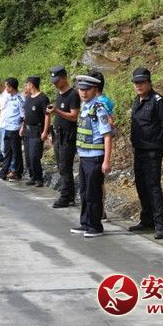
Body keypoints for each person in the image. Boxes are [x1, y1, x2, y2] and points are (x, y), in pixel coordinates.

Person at [128, 67, 163, 240]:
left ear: (149, 83)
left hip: (152, 151)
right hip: (139, 149)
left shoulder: (158, 100)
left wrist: (162, 139)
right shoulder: (137, 100)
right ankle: (147, 220)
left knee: (153, 186)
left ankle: (161, 225)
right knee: (141, 185)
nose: (138, 85)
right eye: (136, 83)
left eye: (142, 82)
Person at [70, 75, 113, 238]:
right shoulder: (84, 107)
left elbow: (107, 136)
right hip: (84, 157)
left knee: (93, 194)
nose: (83, 92)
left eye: (87, 89)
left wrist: (106, 161)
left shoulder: (99, 109)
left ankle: (96, 226)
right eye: (81, 89)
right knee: (84, 192)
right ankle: (86, 223)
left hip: (95, 157)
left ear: (95, 90)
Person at [46, 65, 80, 207]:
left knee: (65, 167)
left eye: (57, 81)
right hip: (58, 135)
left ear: (64, 78)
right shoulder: (59, 94)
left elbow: (74, 116)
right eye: (53, 82)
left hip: (68, 136)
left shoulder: (73, 95)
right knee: (61, 166)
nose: (55, 84)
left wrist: (57, 111)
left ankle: (65, 196)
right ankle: (69, 195)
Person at [89, 70, 116, 221]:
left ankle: (101, 210)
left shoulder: (100, 103)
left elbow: (110, 122)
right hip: (94, 146)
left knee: (98, 180)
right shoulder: (104, 100)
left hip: (98, 146)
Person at [20, 76, 50, 187]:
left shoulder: (43, 98)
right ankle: (32, 176)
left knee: (34, 156)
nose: (25, 86)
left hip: (37, 131)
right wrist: (23, 127)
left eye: (27, 84)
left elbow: (47, 115)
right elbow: (26, 115)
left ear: (31, 84)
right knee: (28, 156)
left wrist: (45, 131)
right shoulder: (28, 98)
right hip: (27, 131)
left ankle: (39, 178)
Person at [0, 77, 24, 181]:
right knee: (7, 152)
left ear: (11, 87)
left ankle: (17, 172)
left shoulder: (20, 98)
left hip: (15, 128)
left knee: (16, 152)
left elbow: (23, 115)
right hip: (7, 127)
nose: (5, 88)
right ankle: (4, 172)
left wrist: (22, 127)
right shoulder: (9, 97)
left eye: (7, 86)